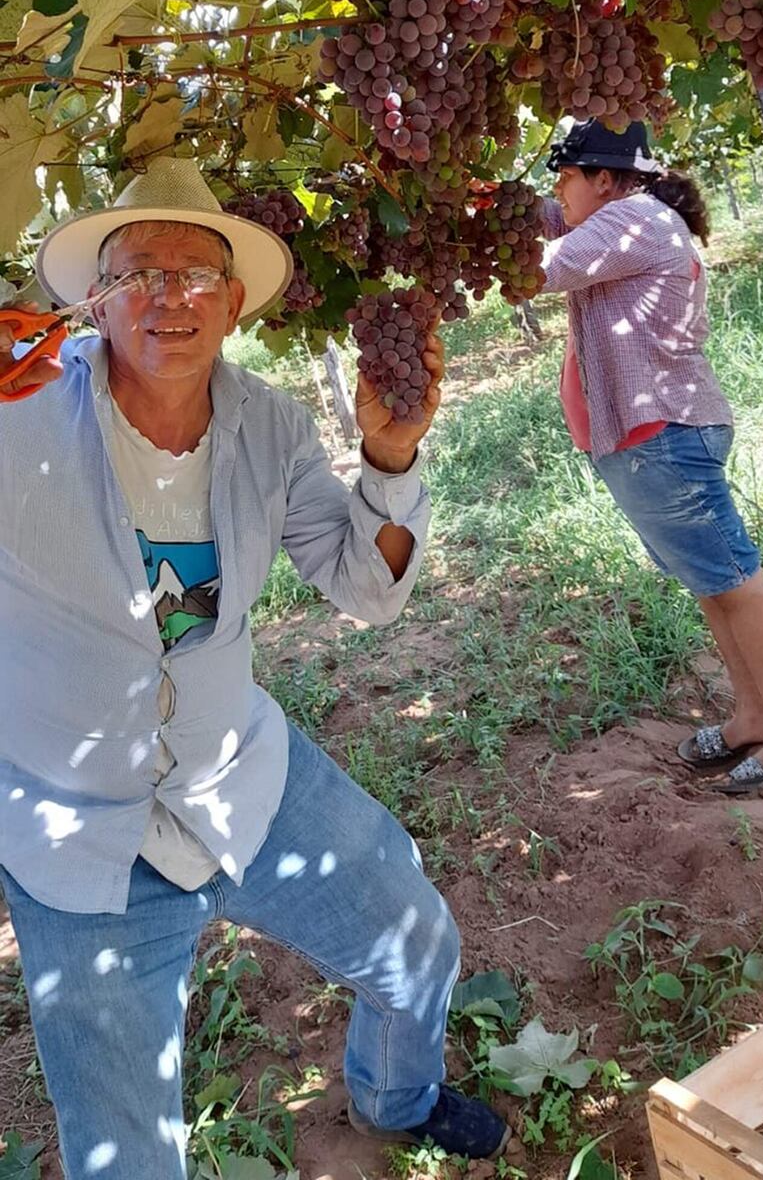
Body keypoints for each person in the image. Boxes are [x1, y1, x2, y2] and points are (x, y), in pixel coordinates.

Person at [0, 157, 509, 1180]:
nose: (168, 297)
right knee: (124, 1157)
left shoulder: (268, 424)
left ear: (233, 303)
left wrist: (391, 456)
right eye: (139, 272)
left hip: (244, 780)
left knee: (419, 947)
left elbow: (363, 588)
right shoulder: (17, 412)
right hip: (73, 834)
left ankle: (395, 1096)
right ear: (96, 299)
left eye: (195, 276)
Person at [541, 119, 763, 798]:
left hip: (662, 437)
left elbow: (533, 265)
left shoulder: (631, 219)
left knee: (737, 580)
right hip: (649, 440)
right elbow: (546, 218)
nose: (559, 192)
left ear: (605, 180)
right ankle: (753, 714)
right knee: (714, 585)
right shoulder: (624, 215)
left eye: (567, 177)